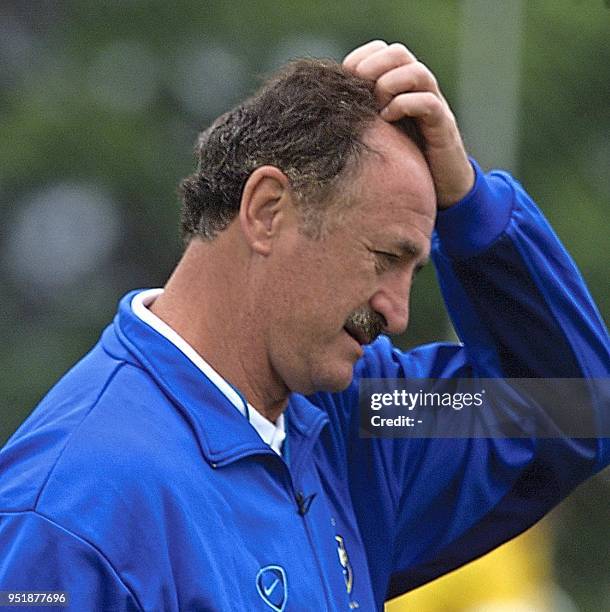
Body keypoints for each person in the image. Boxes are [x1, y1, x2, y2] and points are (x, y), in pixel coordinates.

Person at [0, 39, 608, 611]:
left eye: (413, 272)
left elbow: (572, 409)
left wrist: (471, 204)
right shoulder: (68, 511)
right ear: (267, 211)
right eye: (385, 258)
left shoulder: (357, 419)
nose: (395, 314)